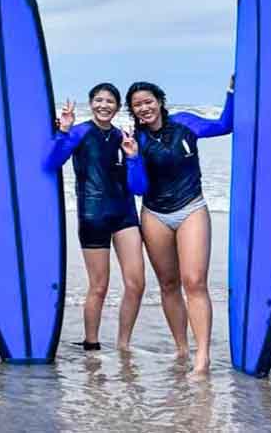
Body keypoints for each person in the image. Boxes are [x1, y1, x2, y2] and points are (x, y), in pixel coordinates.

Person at [126, 77, 234, 375]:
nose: (144, 108)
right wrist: (132, 158)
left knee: (194, 281)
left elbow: (224, 125)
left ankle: (203, 356)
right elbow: (138, 188)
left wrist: (231, 92)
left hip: (191, 208)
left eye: (148, 101)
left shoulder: (185, 123)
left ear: (160, 101)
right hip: (155, 215)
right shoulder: (137, 139)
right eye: (137, 105)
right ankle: (182, 349)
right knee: (168, 284)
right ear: (133, 111)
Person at [46, 83, 147, 351]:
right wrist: (63, 131)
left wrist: (133, 158)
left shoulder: (123, 136)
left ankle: (124, 345)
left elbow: (138, 187)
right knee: (99, 286)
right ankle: (91, 343)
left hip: (125, 215)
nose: (104, 105)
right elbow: (51, 163)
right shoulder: (79, 132)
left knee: (136, 283)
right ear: (91, 104)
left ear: (118, 107)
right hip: (93, 216)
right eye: (99, 100)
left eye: (110, 101)